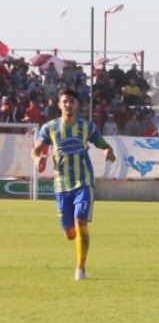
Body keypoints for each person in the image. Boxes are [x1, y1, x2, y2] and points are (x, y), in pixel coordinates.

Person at [30, 88, 117, 280]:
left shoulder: (87, 127)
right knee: (70, 234)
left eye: (72, 101)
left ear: (77, 105)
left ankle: (80, 269)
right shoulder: (50, 128)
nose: (68, 104)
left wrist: (107, 152)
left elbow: (103, 144)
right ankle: (77, 251)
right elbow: (35, 151)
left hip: (83, 182)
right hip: (61, 186)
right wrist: (38, 160)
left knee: (80, 221)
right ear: (59, 104)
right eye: (65, 101)